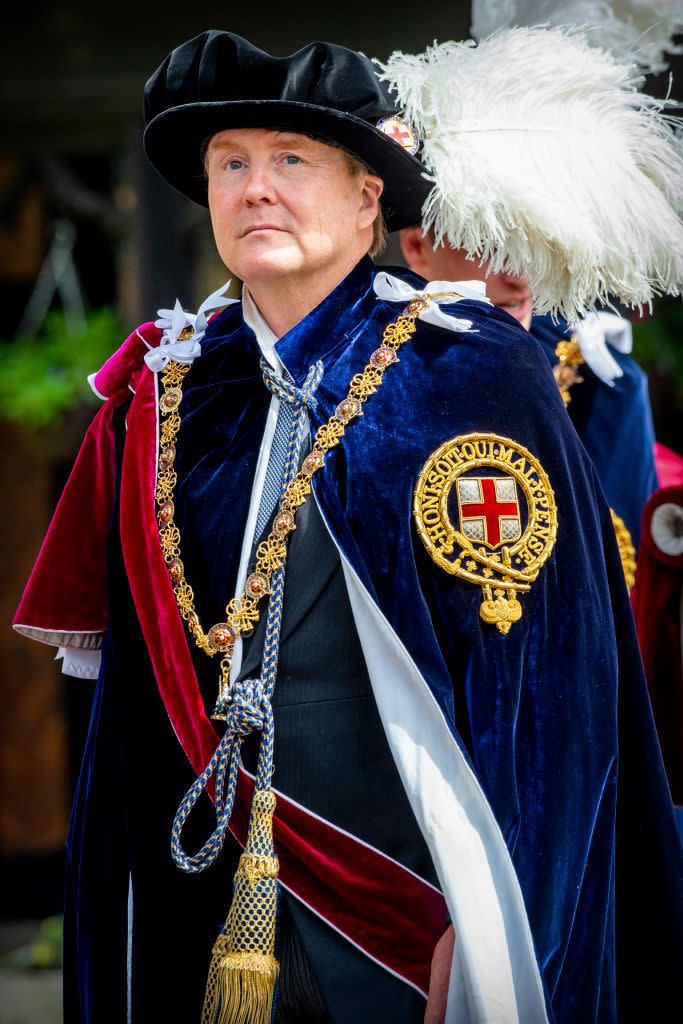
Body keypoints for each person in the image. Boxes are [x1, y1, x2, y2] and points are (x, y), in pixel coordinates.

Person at [13, 26, 683, 1024]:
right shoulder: (169, 395)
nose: (255, 189)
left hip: (408, 930)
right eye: (230, 162)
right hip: (198, 907)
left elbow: (553, 704)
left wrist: (504, 927)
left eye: (290, 161)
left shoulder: (469, 378)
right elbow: (130, 722)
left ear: (368, 197)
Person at [399, 232, 658, 576]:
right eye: (488, 247)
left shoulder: (597, 379)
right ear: (418, 246)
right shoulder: (373, 364)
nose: (518, 275)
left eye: (530, 244)